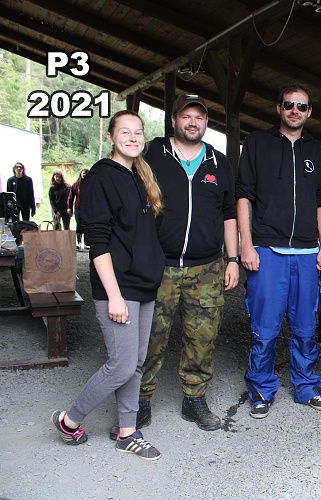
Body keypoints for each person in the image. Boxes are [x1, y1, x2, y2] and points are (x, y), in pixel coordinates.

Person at [50, 110, 165, 460]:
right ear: (111, 137)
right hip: (119, 287)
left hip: (143, 286)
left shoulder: (139, 175)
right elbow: (97, 241)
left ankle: (127, 432)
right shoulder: (101, 177)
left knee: (136, 362)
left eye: (138, 132)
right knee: (122, 364)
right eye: (125, 132)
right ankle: (69, 420)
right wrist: (114, 296)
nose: (132, 138)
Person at [134, 94, 239, 432]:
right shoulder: (152, 154)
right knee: (149, 337)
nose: (193, 123)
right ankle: (139, 401)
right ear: (174, 120)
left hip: (206, 267)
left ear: (206, 122)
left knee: (201, 338)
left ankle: (194, 399)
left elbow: (229, 214)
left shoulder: (219, 162)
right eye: (186, 116)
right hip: (158, 266)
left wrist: (233, 259)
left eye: (199, 117)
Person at [235, 83, 321, 419]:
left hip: (306, 252)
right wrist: (246, 244)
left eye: (301, 106)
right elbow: (243, 195)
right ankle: (261, 390)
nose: (295, 110)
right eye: (289, 104)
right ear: (278, 108)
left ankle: (306, 387)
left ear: (309, 112)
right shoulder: (257, 143)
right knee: (264, 327)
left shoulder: (317, 150)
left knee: (305, 326)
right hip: (267, 249)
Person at [67, 168, 89, 250]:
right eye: (83, 173)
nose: (84, 175)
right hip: (78, 208)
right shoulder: (76, 185)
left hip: (88, 208)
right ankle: (79, 242)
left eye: (86, 174)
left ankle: (86, 242)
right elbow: (70, 197)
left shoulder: (92, 184)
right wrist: (69, 207)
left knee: (87, 225)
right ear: (80, 174)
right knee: (79, 224)